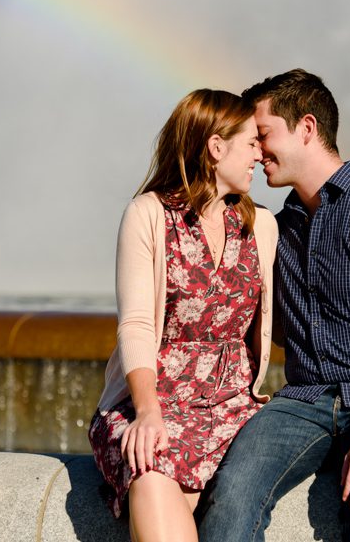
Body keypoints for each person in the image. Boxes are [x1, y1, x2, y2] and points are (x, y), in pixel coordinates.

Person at [196, 69, 350, 542]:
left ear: (306, 128)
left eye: (262, 134)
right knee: (231, 494)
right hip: (303, 401)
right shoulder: (271, 228)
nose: (256, 149)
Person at [88, 89, 279, 542]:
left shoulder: (262, 226)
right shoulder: (148, 215)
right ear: (216, 148)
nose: (260, 153)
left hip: (234, 406)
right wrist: (147, 412)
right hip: (154, 400)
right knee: (149, 467)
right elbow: (136, 324)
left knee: (171, 487)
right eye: (251, 142)